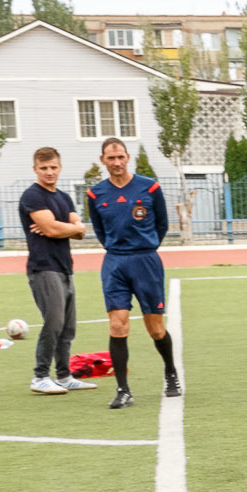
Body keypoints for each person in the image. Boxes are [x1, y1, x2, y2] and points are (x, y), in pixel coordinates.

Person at [85, 137, 179, 409]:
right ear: (103, 160)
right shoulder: (95, 194)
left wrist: (145, 247)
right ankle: (123, 390)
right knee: (117, 324)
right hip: (115, 263)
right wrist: (117, 250)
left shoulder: (149, 187)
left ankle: (171, 372)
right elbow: (100, 230)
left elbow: (161, 223)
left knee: (155, 328)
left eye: (120, 157)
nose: (116, 163)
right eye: (110, 158)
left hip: (146, 261)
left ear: (128, 158)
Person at [19, 146, 96, 395]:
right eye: (43, 168)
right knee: (54, 322)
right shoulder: (33, 197)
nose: (49, 172)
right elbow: (53, 230)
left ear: (60, 167)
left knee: (68, 326)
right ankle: (40, 376)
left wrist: (63, 226)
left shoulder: (64, 197)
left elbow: (81, 232)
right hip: (44, 268)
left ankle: (63, 375)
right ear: (35, 170)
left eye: (53, 167)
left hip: (65, 267)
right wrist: (66, 227)